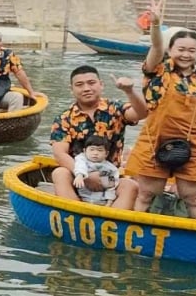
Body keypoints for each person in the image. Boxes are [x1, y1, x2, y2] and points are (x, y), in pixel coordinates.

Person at [124, 7, 196, 218]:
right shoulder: (159, 69)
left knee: (193, 198)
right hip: (154, 138)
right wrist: (155, 24)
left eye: (192, 50)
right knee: (146, 194)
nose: (186, 54)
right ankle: (140, 230)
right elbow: (156, 45)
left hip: (194, 142)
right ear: (171, 50)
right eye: (181, 49)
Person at [49, 65, 148, 209]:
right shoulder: (64, 118)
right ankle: (74, 213)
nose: (86, 88)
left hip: (108, 176)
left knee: (130, 186)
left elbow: (142, 113)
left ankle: (113, 221)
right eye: (79, 85)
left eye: (91, 83)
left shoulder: (115, 109)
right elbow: (60, 153)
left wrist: (129, 91)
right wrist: (86, 175)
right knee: (60, 173)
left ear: (101, 85)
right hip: (78, 175)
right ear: (72, 89)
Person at [71, 135, 122, 206]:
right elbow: (80, 166)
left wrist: (109, 201)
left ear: (106, 153)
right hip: (82, 197)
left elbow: (111, 187)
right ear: (85, 151)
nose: (95, 153)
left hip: (100, 200)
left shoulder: (110, 168)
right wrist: (79, 175)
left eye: (100, 150)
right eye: (92, 149)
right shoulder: (82, 159)